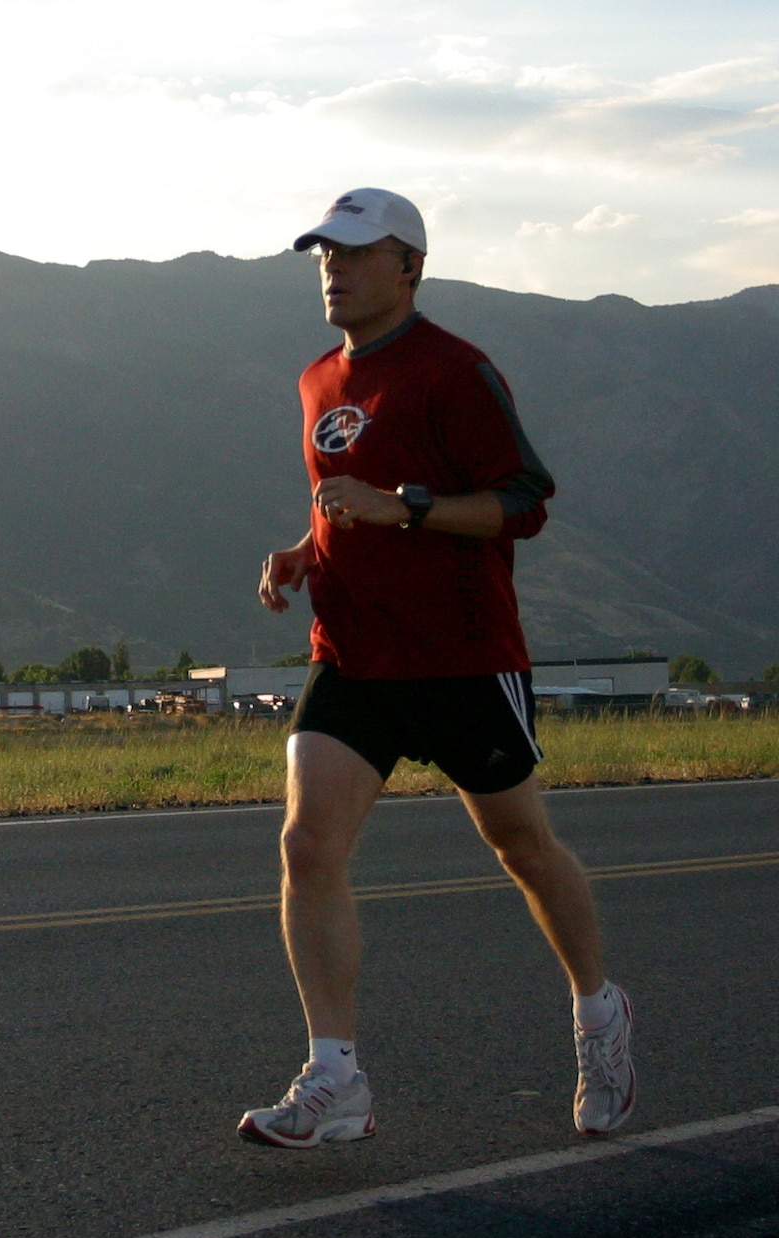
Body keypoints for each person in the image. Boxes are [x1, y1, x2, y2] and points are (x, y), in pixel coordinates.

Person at [239, 188, 635, 1148]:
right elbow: (346, 497)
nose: (332, 268)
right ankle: (338, 1082)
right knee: (305, 847)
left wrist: (404, 507)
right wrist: (307, 544)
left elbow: (524, 500)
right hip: (355, 656)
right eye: (324, 254)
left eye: (355, 253)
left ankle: (600, 1014)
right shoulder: (316, 379)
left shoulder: (456, 371)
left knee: (523, 848)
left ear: (409, 265)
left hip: (462, 658)